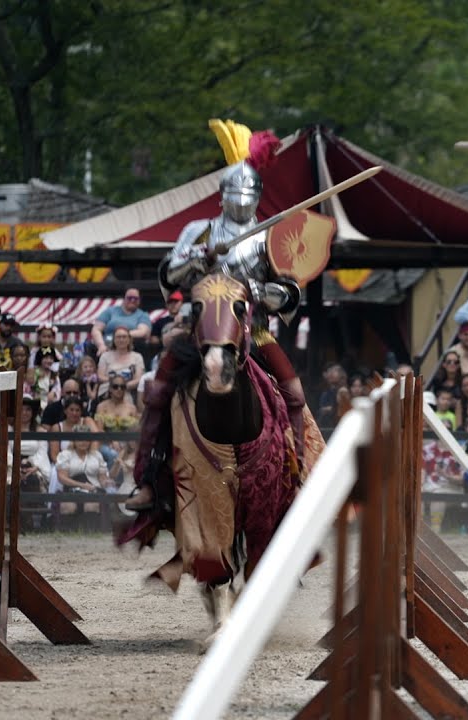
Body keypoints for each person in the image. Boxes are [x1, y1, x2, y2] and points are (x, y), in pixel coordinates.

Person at [128, 122, 306, 511]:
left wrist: (259, 290)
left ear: (257, 198)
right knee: (158, 392)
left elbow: (292, 294)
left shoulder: (268, 236)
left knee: (294, 392)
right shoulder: (198, 231)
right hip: (201, 331)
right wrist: (201, 256)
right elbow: (168, 276)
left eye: (246, 195)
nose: (240, 202)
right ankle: (148, 478)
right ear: (221, 197)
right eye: (233, 195)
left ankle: (299, 471)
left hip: (252, 330)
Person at [89, 289, 153, 357]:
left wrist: (119, 336)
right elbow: (96, 329)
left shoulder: (143, 315)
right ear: (124, 299)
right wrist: (101, 346)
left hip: (132, 349)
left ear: (139, 300)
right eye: (129, 298)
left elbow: (142, 332)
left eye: (135, 298)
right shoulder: (110, 311)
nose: (132, 300)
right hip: (106, 347)